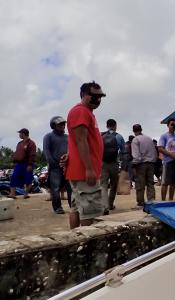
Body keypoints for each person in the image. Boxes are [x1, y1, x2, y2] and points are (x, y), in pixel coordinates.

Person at [65, 81, 105, 229]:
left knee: (76, 207)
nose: (97, 99)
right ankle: (87, 246)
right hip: (85, 172)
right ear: (83, 95)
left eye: (100, 96)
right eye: (93, 96)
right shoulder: (80, 111)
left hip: (81, 171)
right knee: (89, 213)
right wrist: (89, 169)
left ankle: (75, 242)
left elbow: (75, 140)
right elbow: (81, 140)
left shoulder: (87, 113)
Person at [43, 116, 72, 214]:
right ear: (53, 125)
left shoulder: (68, 137)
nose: (63, 126)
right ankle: (58, 207)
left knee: (70, 188)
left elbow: (71, 151)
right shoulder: (48, 136)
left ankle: (73, 206)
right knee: (55, 188)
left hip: (68, 166)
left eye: (63, 124)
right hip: (55, 167)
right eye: (60, 124)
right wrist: (54, 163)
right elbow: (47, 152)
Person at [100, 119, 125, 214]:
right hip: (114, 163)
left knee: (103, 185)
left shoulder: (101, 136)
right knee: (114, 185)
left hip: (103, 163)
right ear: (115, 126)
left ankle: (104, 207)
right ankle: (110, 204)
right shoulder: (119, 136)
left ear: (107, 126)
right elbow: (123, 151)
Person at [131, 124, 158, 207]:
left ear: (133, 131)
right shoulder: (149, 138)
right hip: (151, 164)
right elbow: (154, 152)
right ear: (141, 129)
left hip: (141, 164)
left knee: (140, 184)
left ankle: (140, 202)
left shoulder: (135, 140)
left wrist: (134, 164)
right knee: (150, 183)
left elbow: (136, 156)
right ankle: (151, 201)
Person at [158, 118, 175, 201]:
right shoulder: (164, 136)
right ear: (167, 125)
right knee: (165, 183)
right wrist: (172, 155)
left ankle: (171, 201)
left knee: (173, 183)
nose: (173, 126)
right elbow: (160, 148)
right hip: (168, 162)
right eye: (172, 124)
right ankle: (163, 201)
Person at [8, 128, 36, 199]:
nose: (19, 135)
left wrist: (30, 164)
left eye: (20, 133)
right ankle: (12, 194)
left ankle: (26, 194)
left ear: (23, 134)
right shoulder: (19, 143)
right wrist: (14, 162)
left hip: (27, 164)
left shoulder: (31, 143)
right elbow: (17, 153)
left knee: (28, 181)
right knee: (14, 177)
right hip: (19, 164)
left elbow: (32, 155)